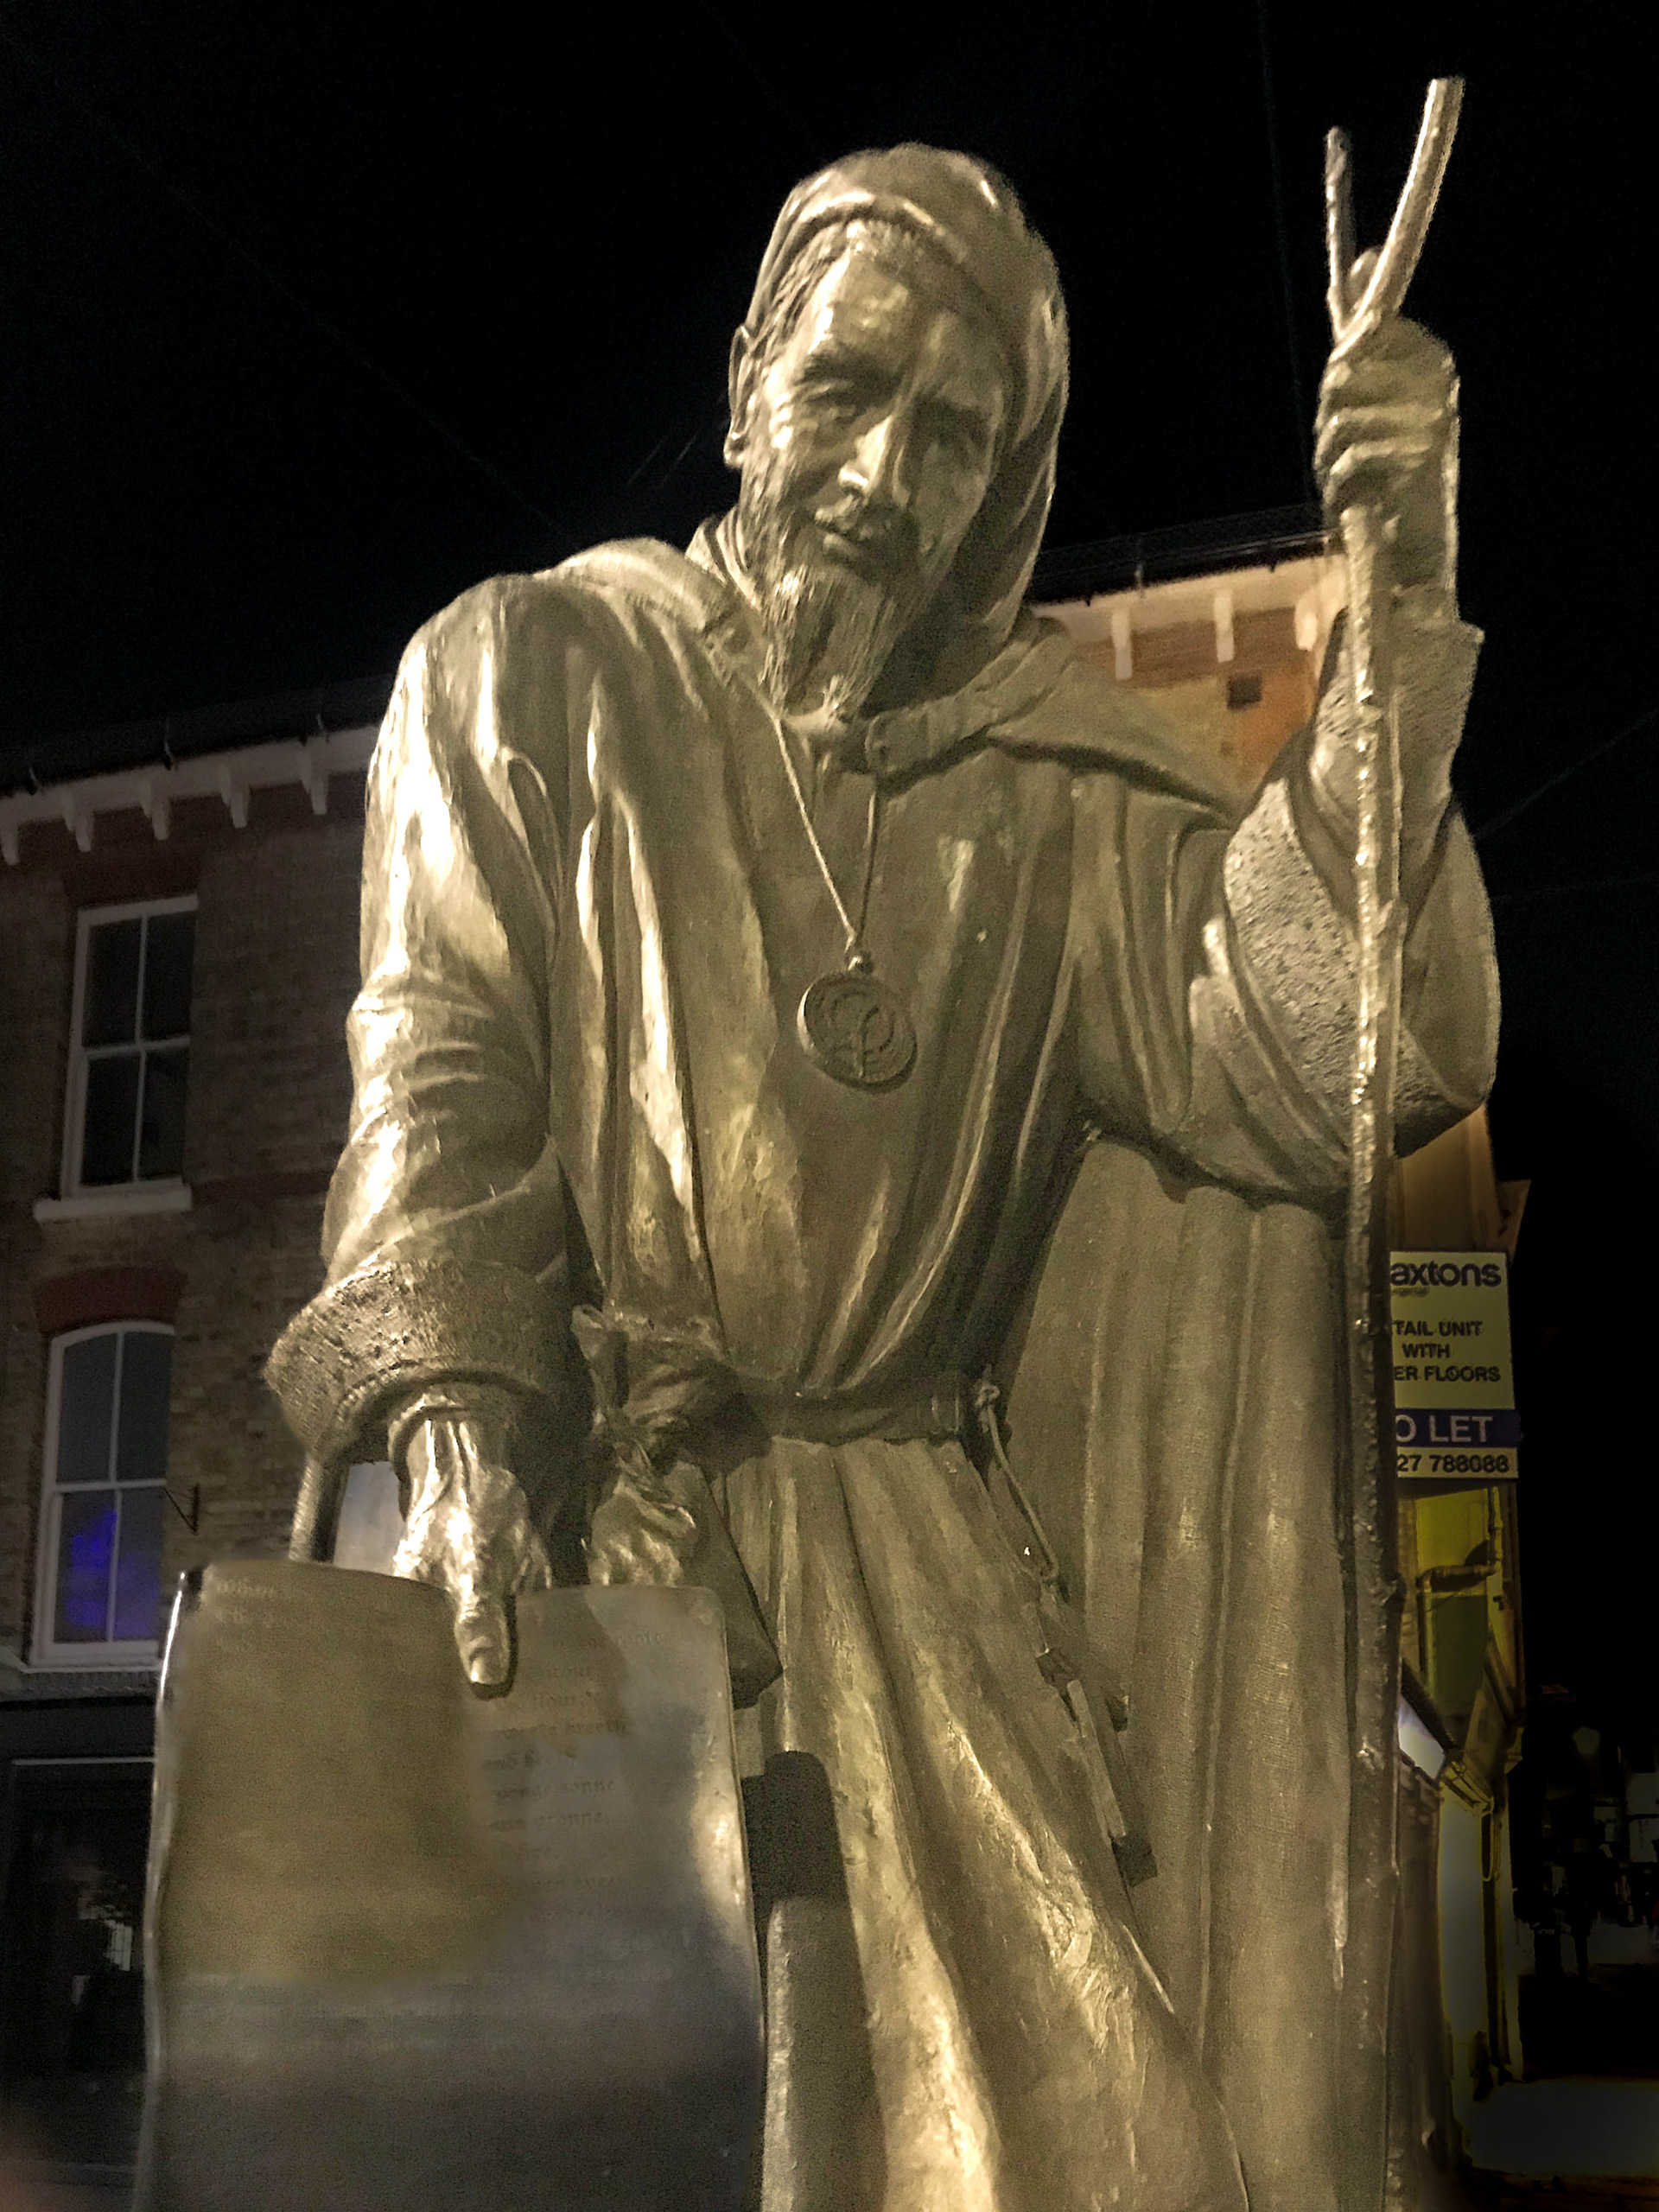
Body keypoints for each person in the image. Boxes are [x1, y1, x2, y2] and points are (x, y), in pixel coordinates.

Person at [269, 147, 1497, 2212]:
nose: (875, 475)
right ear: (749, 378)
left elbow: (1304, 1045)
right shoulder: (530, 673)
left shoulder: (1053, 793)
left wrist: (1400, 616)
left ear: (1003, 488)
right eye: (845, 391)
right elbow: (439, 1057)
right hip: (583, 1527)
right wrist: (456, 1435)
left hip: (924, 1605)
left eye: (949, 438)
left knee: (1080, 2154)